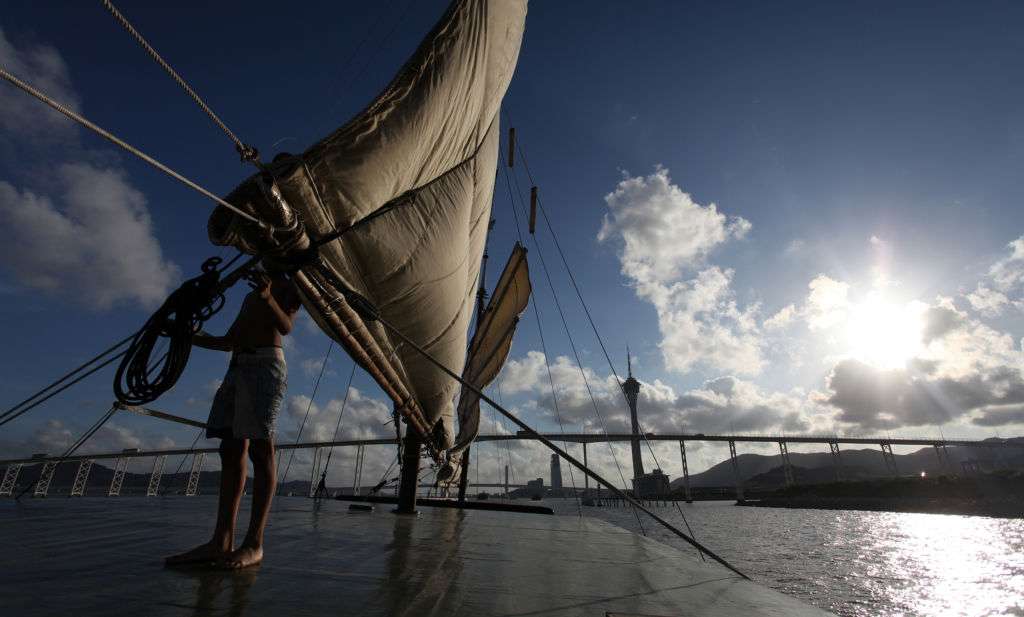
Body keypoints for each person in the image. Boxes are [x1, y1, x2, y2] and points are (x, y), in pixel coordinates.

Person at [166, 268, 301, 569]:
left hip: (266, 367)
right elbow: (229, 341)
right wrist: (187, 335)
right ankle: (220, 541)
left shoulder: (288, 284)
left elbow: (287, 326)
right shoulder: (253, 295)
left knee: (261, 450)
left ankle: (254, 544)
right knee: (230, 449)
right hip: (237, 367)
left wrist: (268, 297)